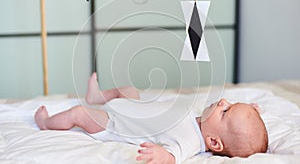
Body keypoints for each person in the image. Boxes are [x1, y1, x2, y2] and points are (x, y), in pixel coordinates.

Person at [35, 73, 268, 164]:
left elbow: (172, 157)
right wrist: (249, 109)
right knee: (128, 87)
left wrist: (160, 156)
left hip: (115, 123)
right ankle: (97, 96)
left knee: (78, 114)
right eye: (229, 104)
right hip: (134, 106)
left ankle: (47, 123)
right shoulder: (202, 122)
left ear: (214, 143)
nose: (222, 103)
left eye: (225, 112)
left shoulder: (189, 141)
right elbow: (237, 123)